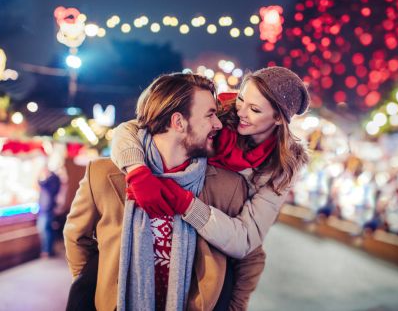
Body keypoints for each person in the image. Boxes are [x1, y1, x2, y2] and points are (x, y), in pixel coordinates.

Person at [64, 73, 266, 311]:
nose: (218, 124)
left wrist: (234, 307)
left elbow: (250, 256)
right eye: (210, 114)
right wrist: (100, 287)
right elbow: (76, 238)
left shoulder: (227, 186)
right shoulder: (102, 175)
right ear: (178, 122)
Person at [111, 66, 310, 259]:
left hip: (213, 243)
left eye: (255, 109)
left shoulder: (281, 168)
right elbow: (133, 129)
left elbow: (247, 239)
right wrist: (137, 171)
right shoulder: (219, 115)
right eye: (241, 99)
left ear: (277, 118)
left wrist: (187, 204)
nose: (241, 112)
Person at [37, 165, 61, 257]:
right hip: (46, 208)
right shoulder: (52, 179)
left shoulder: (53, 179)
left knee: (45, 229)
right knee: (47, 229)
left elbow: (42, 184)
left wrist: (40, 176)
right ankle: (48, 250)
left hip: (48, 208)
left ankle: (47, 250)